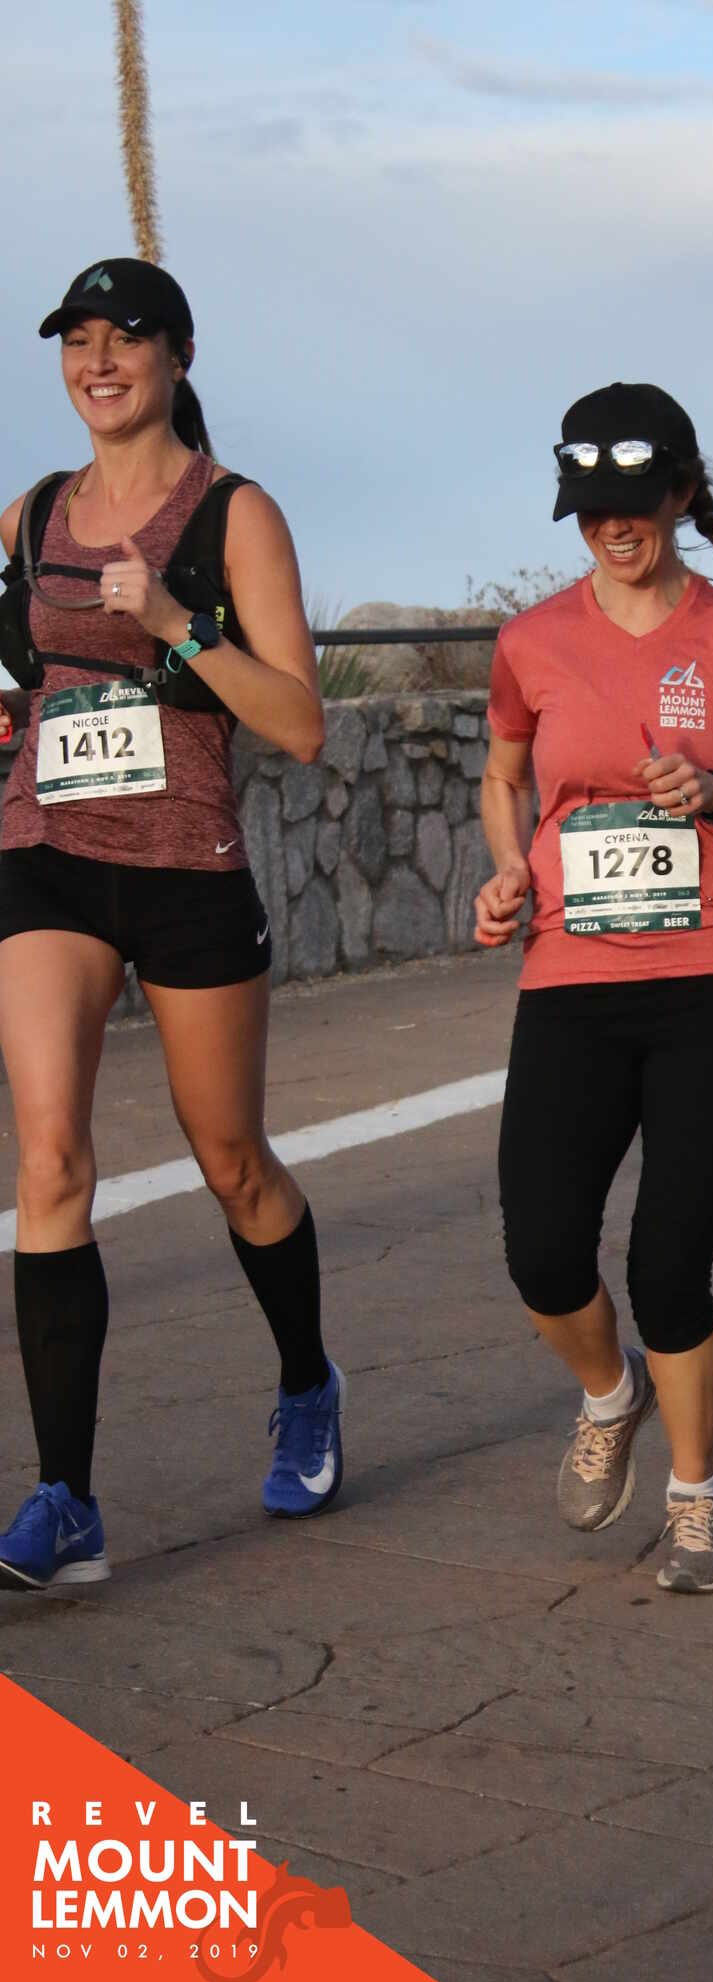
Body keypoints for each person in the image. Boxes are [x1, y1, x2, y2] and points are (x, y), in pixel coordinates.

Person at [0, 257, 344, 1591]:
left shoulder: (233, 514)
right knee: (48, 1161)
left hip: (186, 868)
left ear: (178, 357)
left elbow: (300, 723)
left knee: (232, 1161)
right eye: (76, 339)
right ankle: (67, 1500)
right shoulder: (32, 516)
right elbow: (12, 674)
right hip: (45, 861)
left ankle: (306, 1383)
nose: (97, 361)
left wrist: (175, 621)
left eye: (124, 338)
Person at [474, 381, 713, 1591]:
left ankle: (696, 1497)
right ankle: (606, 1392)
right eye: (590, 509)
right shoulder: (531, 641)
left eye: (634, 502)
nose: (613, 527)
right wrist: (505, 870)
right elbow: (505, 774)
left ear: (681, 493)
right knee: (541, 1251)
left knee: (669, 1265)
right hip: (571, 976)